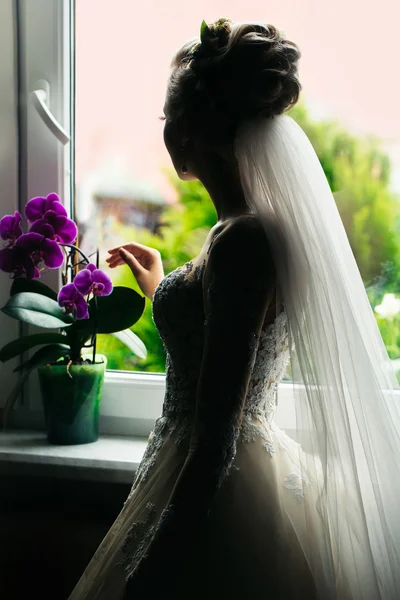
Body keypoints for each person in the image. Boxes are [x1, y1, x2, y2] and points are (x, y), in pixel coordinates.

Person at [69, 19, 400, 600]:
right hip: (207, 468)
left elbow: (217, 432)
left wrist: (155, 565)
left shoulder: (242, 242)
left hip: (220, 494)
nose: (165, 131)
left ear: (192, 130)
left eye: (167, 117)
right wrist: (160, 288)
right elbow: (219, 344)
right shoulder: (237, 233)